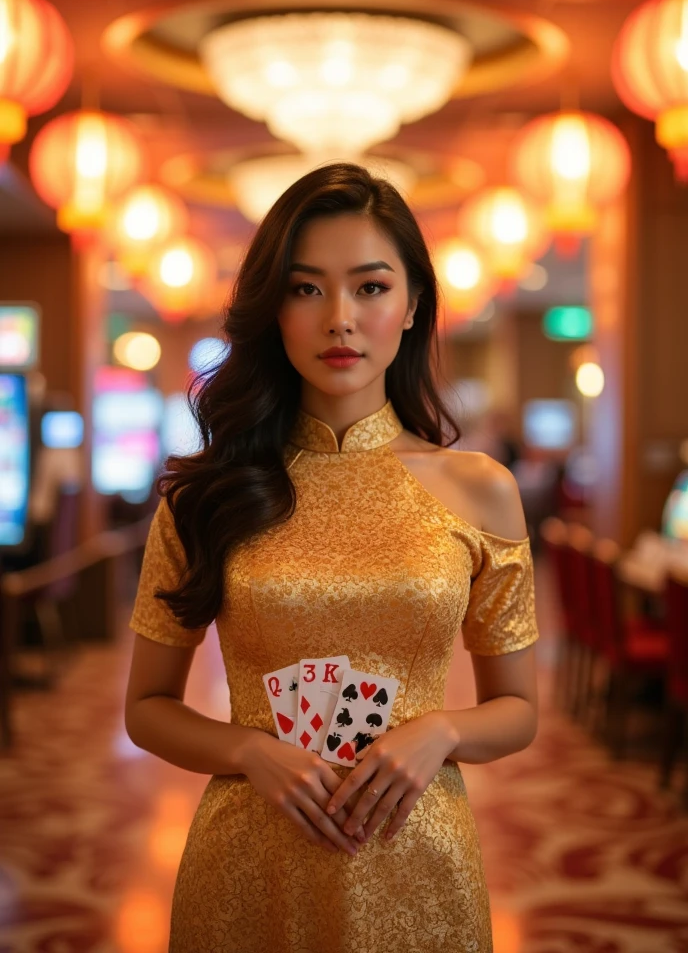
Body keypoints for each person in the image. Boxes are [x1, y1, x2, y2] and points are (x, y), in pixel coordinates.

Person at [124, 163, 539, 953]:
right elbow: (145, 709)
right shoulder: (207, 496)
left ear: (413, 305)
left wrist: (442, 730)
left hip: (419, 854)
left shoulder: (481, 490)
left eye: (371, 288)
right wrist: (249, 748)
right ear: (273, 309)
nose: (340, 319)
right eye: (307, 289)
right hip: (250, 859)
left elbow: (518, 711)